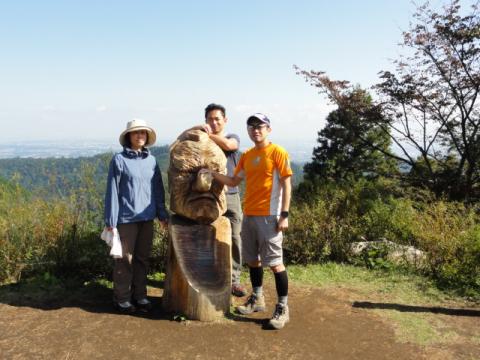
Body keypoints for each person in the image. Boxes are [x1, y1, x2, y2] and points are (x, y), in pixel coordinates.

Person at [200, 113, 293, 330]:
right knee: (253, 261)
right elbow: (234, 180)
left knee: (276, 264)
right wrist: (212, 174)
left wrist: (285, 215)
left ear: (268, 129)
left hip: (270, 216)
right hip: (249, 214)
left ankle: (282, 307)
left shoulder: (278, 152)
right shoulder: (248, 155)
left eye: (260, 126)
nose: (256, 130)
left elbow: (287, 184)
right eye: (251, 127)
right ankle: (257, 299)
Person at [104, 119, 169, 313]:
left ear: (147, 137)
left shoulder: (152, 160)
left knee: (142, 259)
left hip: (147, 218)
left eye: (143, 133)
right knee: (124, 259)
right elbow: (113, 190)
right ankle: (122, 298)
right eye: (136, 133)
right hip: (126, 219)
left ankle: (140, 296)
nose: (140, 136)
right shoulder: (119, 160)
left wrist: (162, 214)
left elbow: (158, 189)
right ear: (129, 137)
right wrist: (110, 219)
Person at [185, 103, 247, 297]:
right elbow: (180, 139)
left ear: (225, 120)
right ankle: (205, 278)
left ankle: (234, 280)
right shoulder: (202, 138)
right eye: (210, 119)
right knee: (206, 237)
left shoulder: (231, 138)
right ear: (206, 120)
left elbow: (230, 146)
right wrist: (195, 129)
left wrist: (206, 134)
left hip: (230, 195)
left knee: (235, 237)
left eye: (217, 119)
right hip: (207, 197)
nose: (214, 122)